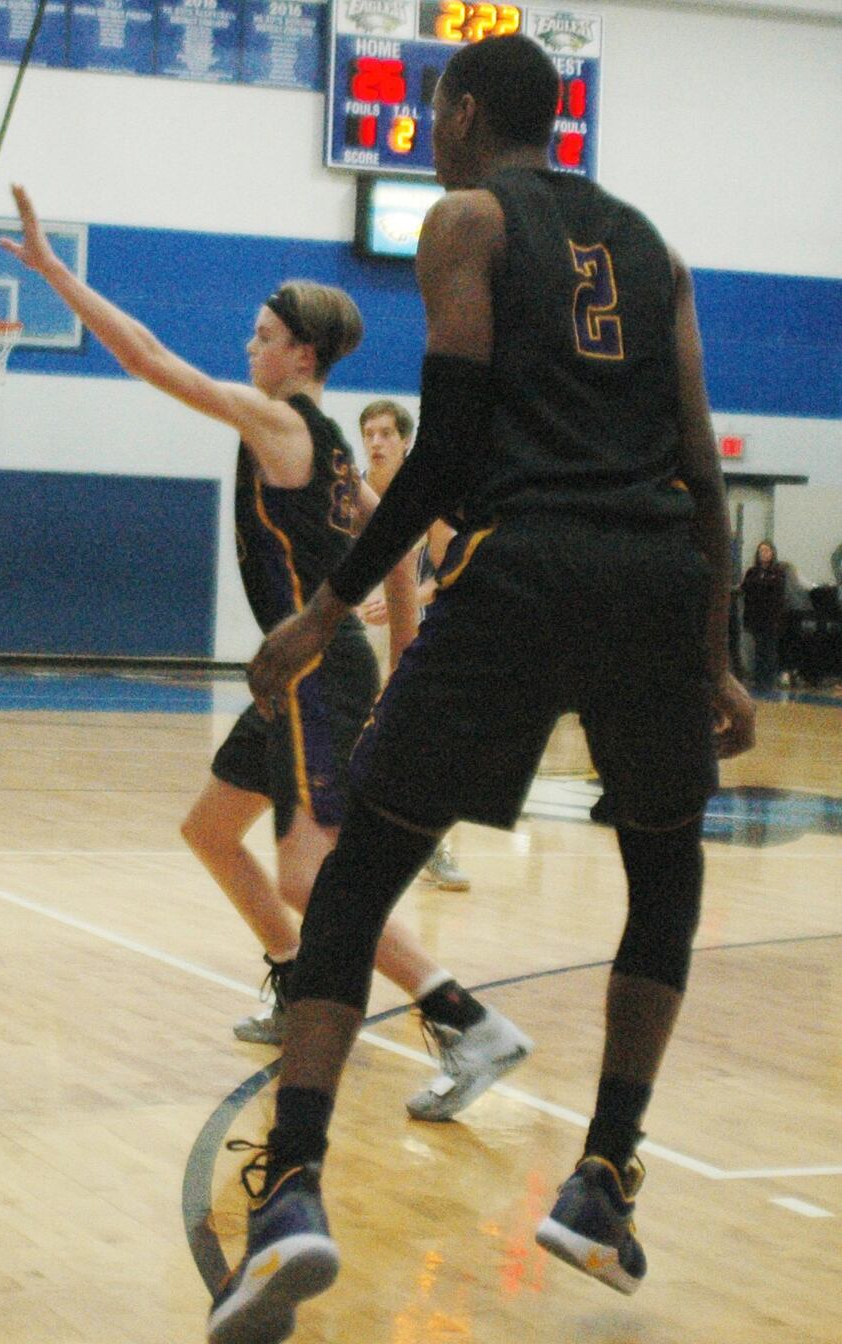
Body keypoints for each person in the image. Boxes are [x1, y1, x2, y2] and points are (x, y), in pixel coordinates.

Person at [212, 34, 756, 1342]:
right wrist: (721, 643)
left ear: (460, 113)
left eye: (431, 118)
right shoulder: (658, 250)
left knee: (357, 874)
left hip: (527, 570)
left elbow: (449, 446)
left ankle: (290, 1185)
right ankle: (606, 1177)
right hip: (655, 574)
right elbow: (695, 451)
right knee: (665, 872)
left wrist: (324, 610)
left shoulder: (466, 221)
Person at [0, 186, 530, 1124]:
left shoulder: (284, 422)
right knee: (211, 830)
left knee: (306, 873)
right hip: (308, 676)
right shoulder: (327, 450)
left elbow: (150, 359)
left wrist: (53, 273)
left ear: (302, 356)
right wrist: (402, 658)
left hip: (317, 677)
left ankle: (464, 1017)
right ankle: (295, 980)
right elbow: (399, 546)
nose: (248, 348)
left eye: (261, 336)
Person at [355, 398, 471, 891]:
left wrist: (411, 593)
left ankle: (432, 846)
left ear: (406, 441)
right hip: (354, 630)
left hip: (410, 632)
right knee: (349, 738)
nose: (377, 442)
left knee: (420, 740)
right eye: (369, 433)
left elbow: (452, 573)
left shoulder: (426, 498)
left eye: (386, 433)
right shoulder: (348, 493)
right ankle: (347, 841)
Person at [739, 541, 787, 692]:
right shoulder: (752, 572)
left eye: (767, 551)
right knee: (758, 649)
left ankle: (769, 681)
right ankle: (758, 680)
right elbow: (746, 587)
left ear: (772, 553)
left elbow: (774, 590)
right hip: (755, 617)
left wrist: (760, 585)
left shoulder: (778, 572)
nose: (764, 554)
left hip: (771, 618)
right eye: (761, 551)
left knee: (769, 650)